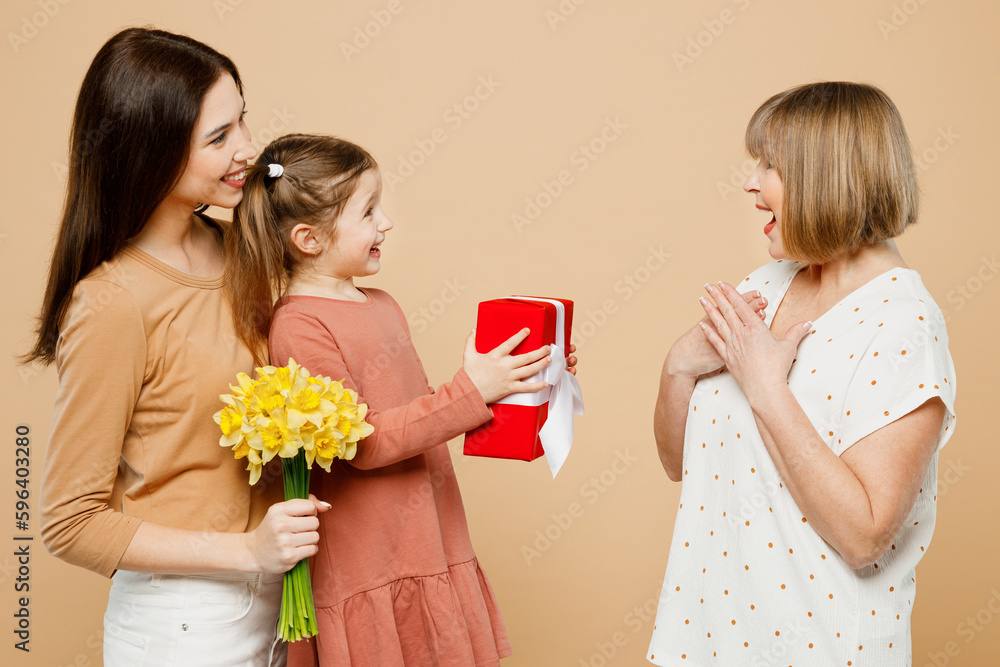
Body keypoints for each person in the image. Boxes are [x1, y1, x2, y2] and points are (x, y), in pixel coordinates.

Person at [29, 28, 326, 666]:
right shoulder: (113, 302)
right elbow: (68, 521)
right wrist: (247, 551)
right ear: (150, 151)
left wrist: (491, 385)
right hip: (186, 627)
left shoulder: (241, 246)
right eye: (218, 138)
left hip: (282, 605)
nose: (247, 148)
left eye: (241, 120)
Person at [227, 133, 576, 666]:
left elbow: (417, 416)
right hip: (374, 559)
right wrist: (472, 389)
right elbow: (364, 442)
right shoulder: (300, 325)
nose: (385, 222)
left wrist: (515, 382)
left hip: (430, 537)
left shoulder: (382, 303)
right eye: (368, 212)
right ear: (308, 239)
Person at [647, 82, 956, 666]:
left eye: (770, 165)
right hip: (706, 644)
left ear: (825, 178)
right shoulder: (766, 285)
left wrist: (765, 386)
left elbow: (864, 536)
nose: (750, 183)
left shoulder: (903, 324)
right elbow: (680, 464)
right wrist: (677, 368)